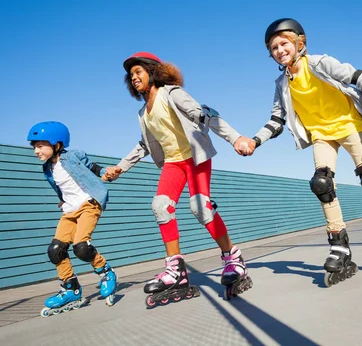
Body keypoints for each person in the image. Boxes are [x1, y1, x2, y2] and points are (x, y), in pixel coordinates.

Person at [241, 18, 362, 286]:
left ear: (300, 42)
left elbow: (361, 78)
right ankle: (338, 243)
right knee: (321, 183)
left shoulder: (320, 63)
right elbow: (277, 120)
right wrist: (255, 141)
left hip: (347, 126)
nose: (279, 50)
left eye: (284, 43)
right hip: (321, 135)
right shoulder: (281, 83)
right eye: (273, 48)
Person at [104, 52, 253, 305]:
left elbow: (206, 115)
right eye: (131, 75)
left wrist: (235, 137)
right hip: (173, 163)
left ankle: (232, 258)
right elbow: (144, 145)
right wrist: (120, 167)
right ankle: (176, 270)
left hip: (195, 158)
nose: (134, 77)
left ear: (153, 72)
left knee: (200, 208)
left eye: (138, 71)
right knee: (160, 207)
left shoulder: (171, 94)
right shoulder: (143, 113)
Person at [27, 121, 117, 316]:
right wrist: (63, 200)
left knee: (81, 247)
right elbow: (61, 187)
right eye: (34, 147)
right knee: (55, 250)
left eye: (40, 145)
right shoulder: (47, 169)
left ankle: (106, 272)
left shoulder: (74, 155)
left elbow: (92, 167)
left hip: (88, 204)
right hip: (69, 210)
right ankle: (71, 288)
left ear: (56, 144)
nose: (36, 151)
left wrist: (105, 173)